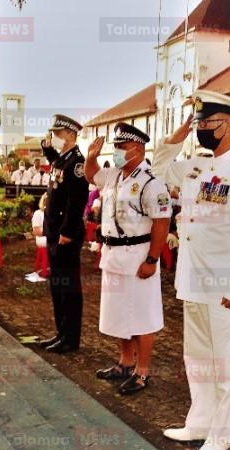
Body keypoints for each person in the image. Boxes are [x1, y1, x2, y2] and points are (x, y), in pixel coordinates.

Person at [152, 91, 230, 450]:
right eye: (199, 123)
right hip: (193, 280)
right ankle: (200, 422)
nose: (201, 129)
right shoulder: (196, 167)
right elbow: (157, 167)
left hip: (225, 287)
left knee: (225, 364)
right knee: (198, 358)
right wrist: (177, 135)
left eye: (208, 123)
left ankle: (221, 435)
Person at [85, 123, 170, 395]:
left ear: (138, 149)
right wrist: (90, 157)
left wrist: (152, 259)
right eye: (116, 147)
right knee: (120, 314)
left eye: (122, 147)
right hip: (113, 255)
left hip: (138, 257)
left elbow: (161, 222)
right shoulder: (114, 176)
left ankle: (142, 372)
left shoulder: (150, 183)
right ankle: (124, 362)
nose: (117, 151)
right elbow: (91, 176)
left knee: (143, 317)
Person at [38, 114, 88, 354]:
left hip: (65, 235)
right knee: (57, 287)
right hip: (54, 232)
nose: (54, 137)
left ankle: (70, 338)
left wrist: (67, 232)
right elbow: (56, 165)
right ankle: (61, 332)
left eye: (57, 134)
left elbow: (76, 202)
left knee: (68, 287)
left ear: (70, 134)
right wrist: (47, 149)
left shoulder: (77, 164)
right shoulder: (62, 160)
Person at [30, 193, 49, 280]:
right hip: (42, 238)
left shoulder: (54, 214)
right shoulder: (38, 213)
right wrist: (51, 233)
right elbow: (36, 232)